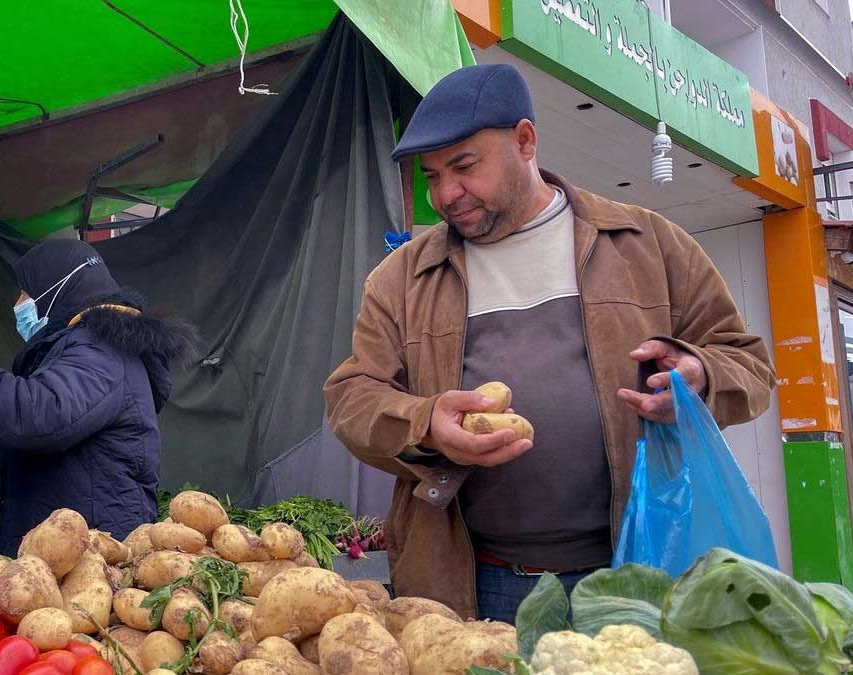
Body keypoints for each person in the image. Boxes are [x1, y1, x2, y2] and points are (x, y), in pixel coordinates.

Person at [323, 64, 775, 622]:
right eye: (431, 175)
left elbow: (748, 363)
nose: (445, 193)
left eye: (464, 167)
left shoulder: (649, 244)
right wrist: (426, 422)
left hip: (635, 575)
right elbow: (351, 397)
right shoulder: (401, 278)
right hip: (473, 587)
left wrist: (701, 375)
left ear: (526, 140)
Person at [0, 238, 194, 556]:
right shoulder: (78, 350)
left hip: (90, 561)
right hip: (55, 559)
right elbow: (22, 453)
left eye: (25, 291)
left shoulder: (104, 351)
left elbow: (37, 416)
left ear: (54, 290)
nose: (18, 303)